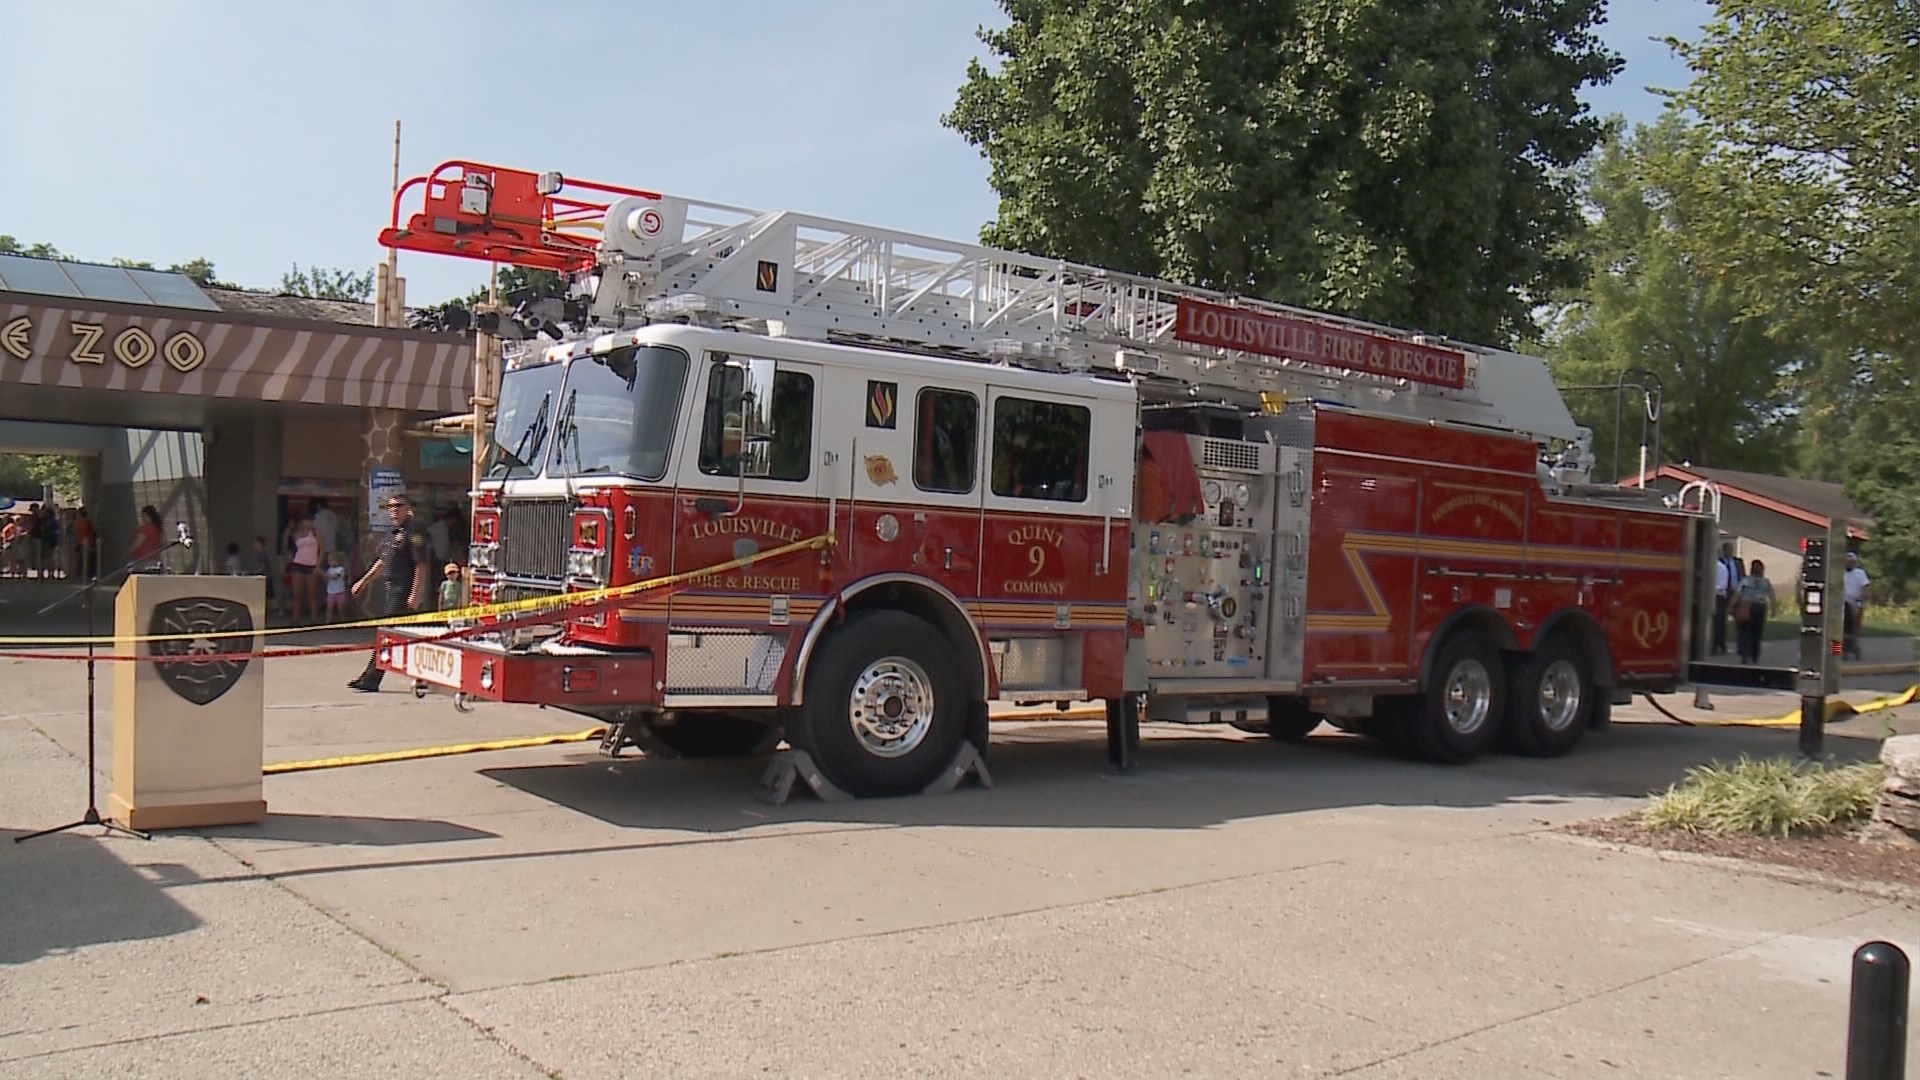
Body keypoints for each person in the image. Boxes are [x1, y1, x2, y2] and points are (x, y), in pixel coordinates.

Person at [346, 494, 432, 693]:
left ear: (407, 507)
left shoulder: (414, 532)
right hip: (389, 588)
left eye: (398, 505)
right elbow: (382, 562)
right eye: (390, 506)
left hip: (403, 589)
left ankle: (371, 678)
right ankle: (418, 678)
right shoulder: (391, 534)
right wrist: (363, 581)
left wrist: (415, 593)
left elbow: (421, 564)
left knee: (387, 634)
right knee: (403, 636)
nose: (393, 509)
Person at [1733, 558, 1775, 665]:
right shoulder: (1766, 582)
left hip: (1747, 607)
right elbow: (1771, 596)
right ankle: (1755, 655)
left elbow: (1738, 594)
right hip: (1760, 607)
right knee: (1757, 632)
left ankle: (1745, 654)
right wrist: (1773, 609)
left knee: (1745, 631)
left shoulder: (1746, 580)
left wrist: (1731, 606)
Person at [285, 515, 322, 625]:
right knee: (297, 594)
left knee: (312, 593)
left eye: (310, 520)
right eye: (306, 520)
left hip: (312, 565)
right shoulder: (297, 533)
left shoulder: (316, 532)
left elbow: (322, 549)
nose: (308, 522)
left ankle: (314, 620)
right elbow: (289, 546)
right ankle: (295, 619)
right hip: (298, 564)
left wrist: (318, 565)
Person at [1711, 541, 1741, 656]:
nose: (1729, 552)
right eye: (1727, 550)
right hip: (1724, 593)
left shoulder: (1736, 562)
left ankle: (1739, 645)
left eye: (1731, 550)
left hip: (1733, 592)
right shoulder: (1721, 564)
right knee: (1720, 620)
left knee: (1738, 619)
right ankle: (1720, 644)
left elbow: (1740, 576)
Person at [1842, 551, 1871, 661]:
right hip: (1841, 604)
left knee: (1853, 629)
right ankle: (1838, 650)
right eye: (1847, 562)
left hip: (1855, 604)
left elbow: (1866, 588)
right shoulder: (1840, 573)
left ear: (1855, 563)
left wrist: (1862, 596)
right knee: (1839, 630)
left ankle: (1853, 647)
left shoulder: (1860, 573)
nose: (1849, 564)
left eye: (1851, 562)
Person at [128, 505, 165, 571]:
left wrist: (128, 552)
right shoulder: (159, 529)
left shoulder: (145, 529)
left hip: (142, 559)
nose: (142, 518)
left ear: (147, 517)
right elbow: (163, 542)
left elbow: (137, 543)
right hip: (155, 558)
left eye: (143, 516)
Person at [323, 551, 349, 623]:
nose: (329, 562)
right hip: (331, 592)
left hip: (340, 592)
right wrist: (325, 576)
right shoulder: (329, 569)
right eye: (328, 560)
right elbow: (326, 579)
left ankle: (343, 621)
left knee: (340, 608)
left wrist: (323, 574)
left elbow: (335, 577)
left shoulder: (341, 569)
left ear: (337, 561)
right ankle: (328, 621)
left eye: (331, 560)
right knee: (329, 608)